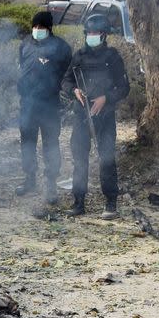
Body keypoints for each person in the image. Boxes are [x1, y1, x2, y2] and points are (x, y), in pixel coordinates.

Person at [60, 14, 130, 219]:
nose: (91, 36)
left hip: (104, 116)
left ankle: (111, 203)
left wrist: (105, 98)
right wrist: (74, 91)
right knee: (80, 159)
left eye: (95, 33)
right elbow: (66, 81)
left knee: (106, 159)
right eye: (88, 33)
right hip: (82, 115)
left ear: (103, 34)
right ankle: (79, 202)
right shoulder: (79, 56)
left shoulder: (113, 57)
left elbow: (124, 87)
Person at [16, 11, 72, 204]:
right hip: (27, 105)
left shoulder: (61, 48)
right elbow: (22, 66)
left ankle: (51, 184)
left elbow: (67, 74)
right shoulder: (25, 44)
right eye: (35, 27)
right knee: (27, 143)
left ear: (49, 28)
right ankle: (30, 179)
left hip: (49, 105)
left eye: (41, 27)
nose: (37, 30)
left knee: (50, 143)